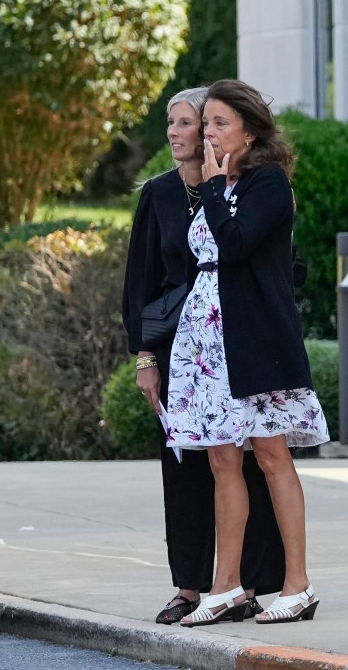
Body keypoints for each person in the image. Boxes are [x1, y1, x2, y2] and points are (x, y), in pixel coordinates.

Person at [162, 79, 330, 626]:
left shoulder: (267, 184)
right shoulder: (224, 185)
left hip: (251, 340)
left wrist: (210, 187)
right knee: (220, 459)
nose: (207, 134)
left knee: (272, 455)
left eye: (219, 124)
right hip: (207, 342)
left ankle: (298, 584)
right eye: (204, 123)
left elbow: (235, 246)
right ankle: (227, 584)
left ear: (250, 131)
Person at [121, 86, 285, 625]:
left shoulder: (246, 187)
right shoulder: (160, 194)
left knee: (252, 463)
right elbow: (140, 281)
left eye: (187, 122)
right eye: (175, 122)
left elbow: (273, 260)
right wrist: (146, 358)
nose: (176, 132)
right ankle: (189, 586)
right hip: (179, 347)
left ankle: (256, 582)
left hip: (236, 337)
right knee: (187, 466)